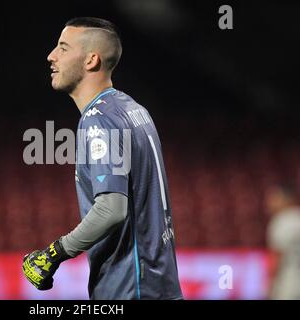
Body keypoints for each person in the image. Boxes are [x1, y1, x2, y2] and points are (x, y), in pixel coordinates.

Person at [22, 17, 183, 300]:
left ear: (90, 60)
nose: (51, 56)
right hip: (158, 284)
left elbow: (111, 210)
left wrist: (54, 253)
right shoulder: (132, 109)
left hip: (129, 287)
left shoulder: (100, 119)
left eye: (63, 48)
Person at [265, 182, 300, 300]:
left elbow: (277, 258)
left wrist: (270, 285)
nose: (269, 203)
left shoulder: (281, 221)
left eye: (274, 199)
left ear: (286, 199)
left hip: (287, 284)